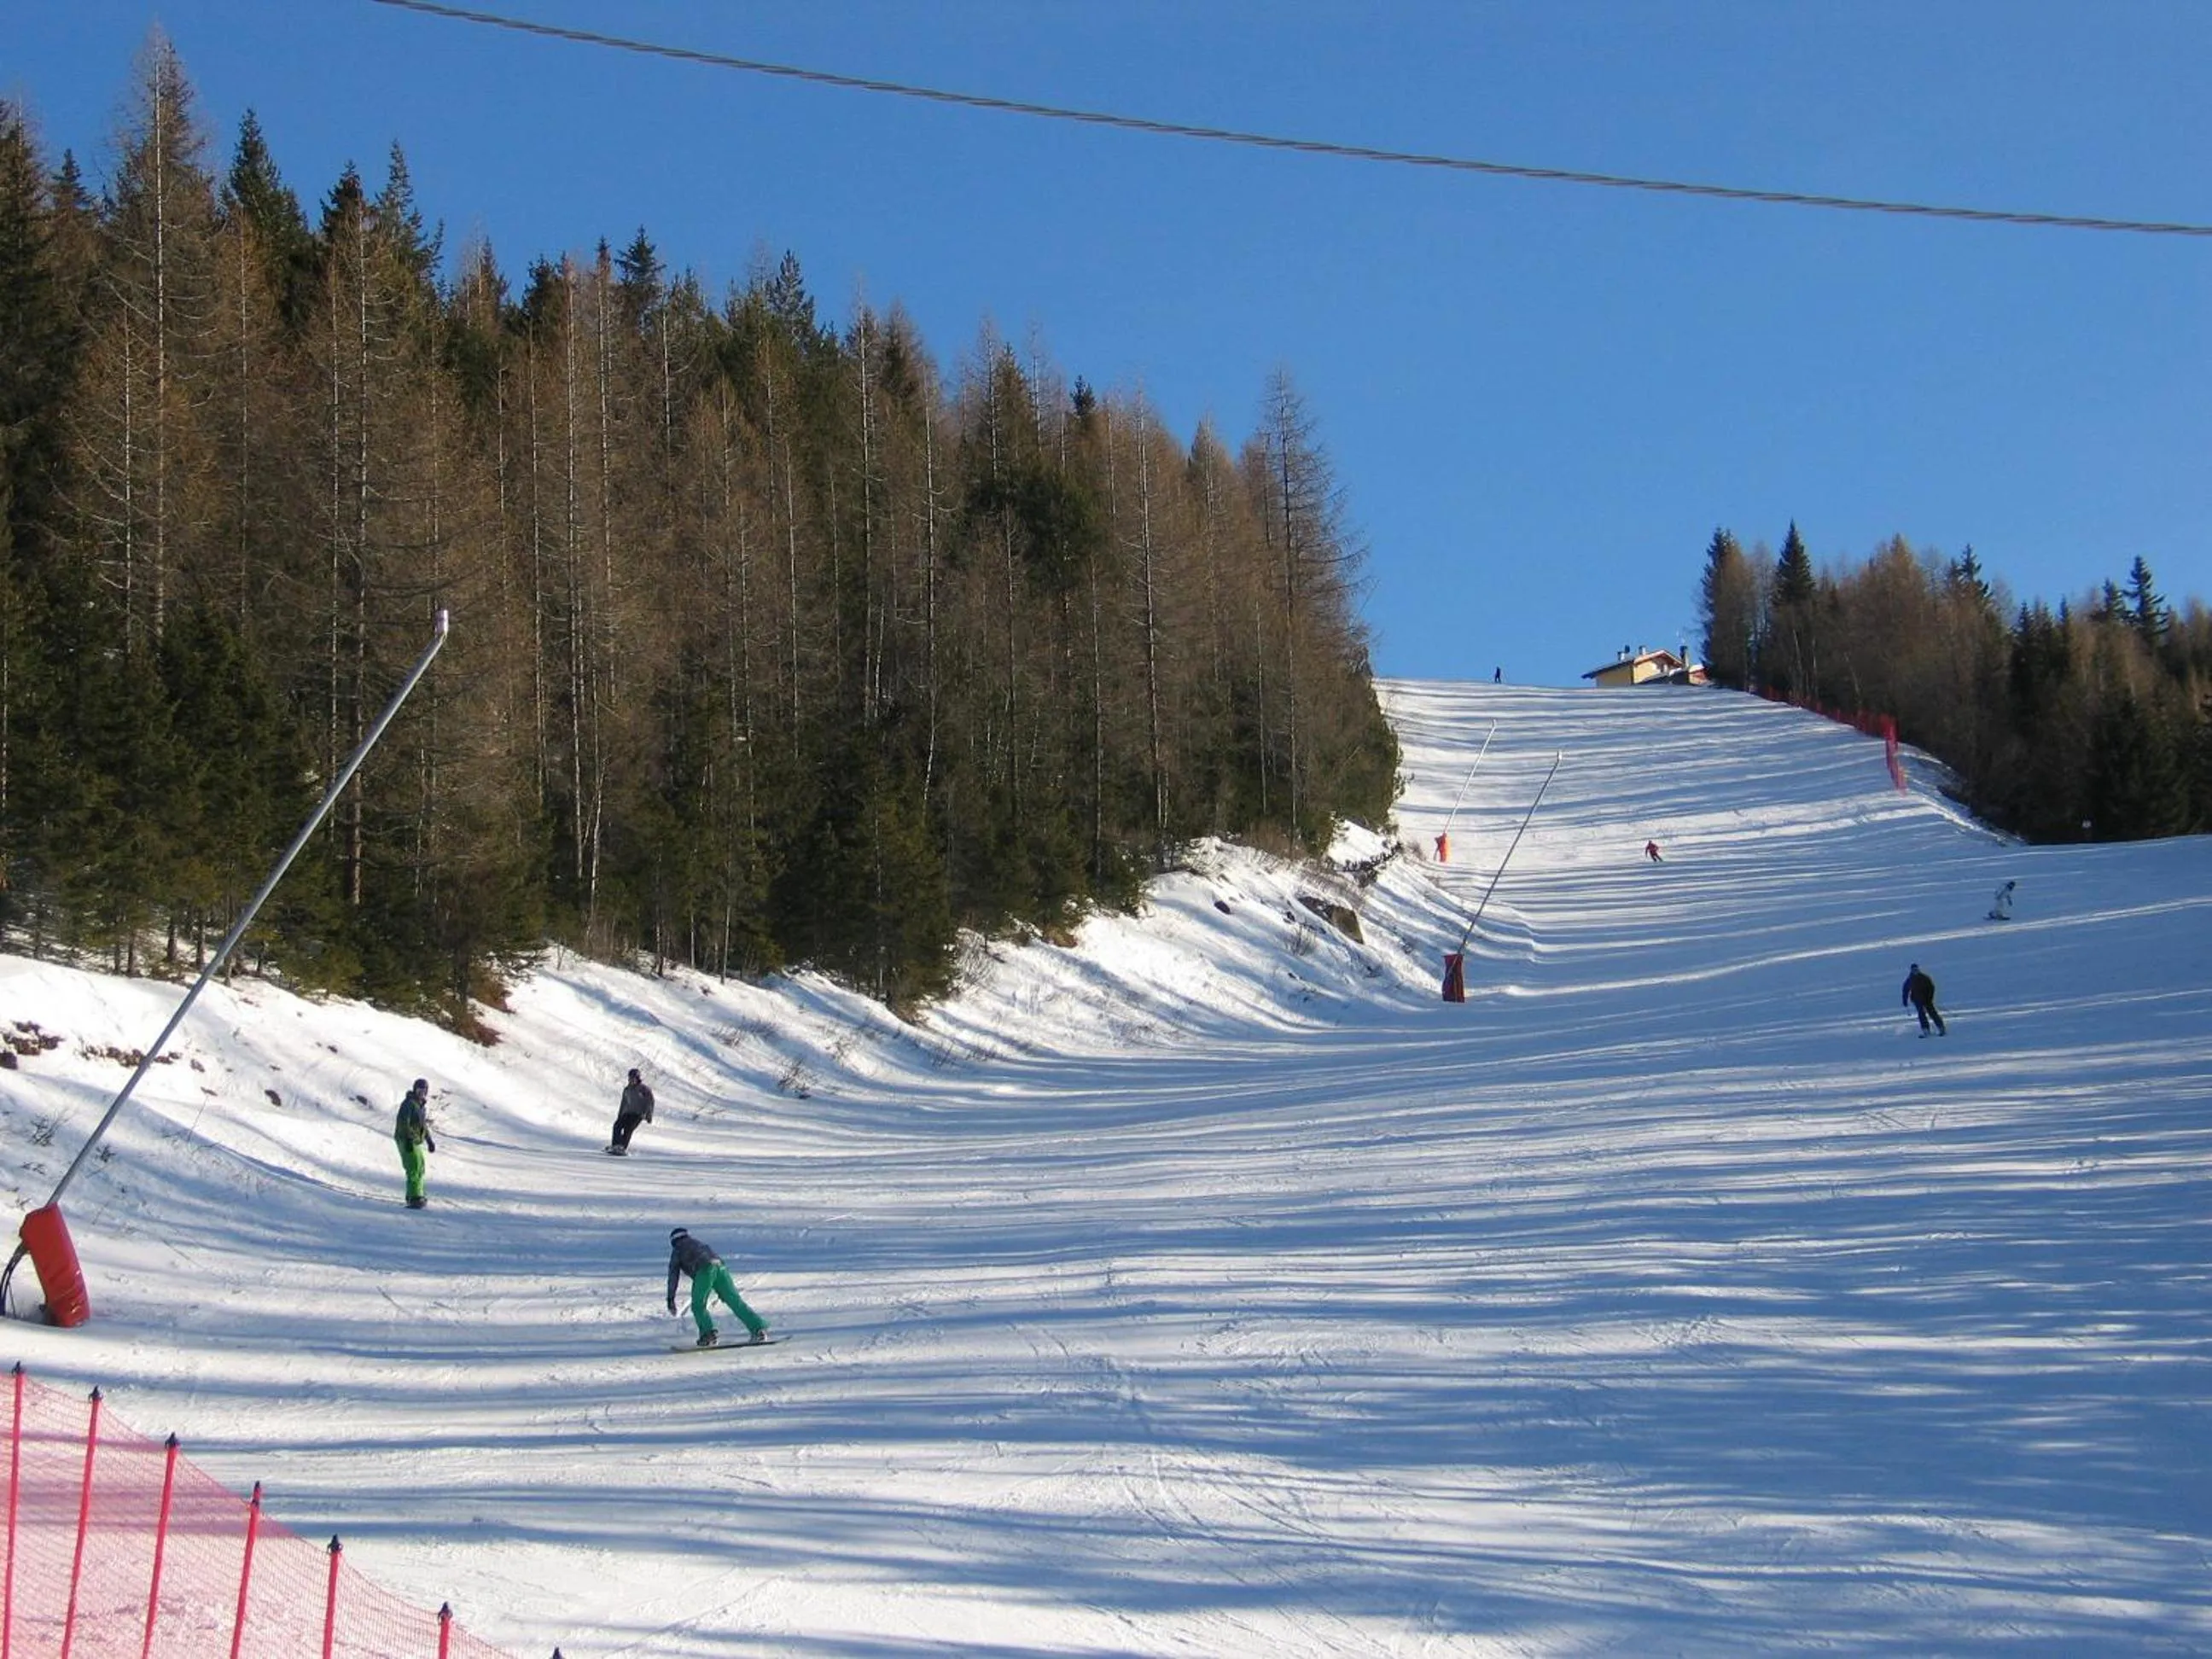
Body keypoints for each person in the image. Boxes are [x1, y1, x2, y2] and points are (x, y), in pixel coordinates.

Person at [666, 1227, 768, 1348]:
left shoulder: (678, 1249)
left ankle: (708, 1335)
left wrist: (670, 1299)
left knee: (698, 1305)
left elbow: (673, 1275)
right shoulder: (698, 1243)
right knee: (734, 1301)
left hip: (704, 1270)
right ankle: (758, 1329)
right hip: (720, 1267)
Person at [393, 1078, 435, 1208]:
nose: (421, 1093)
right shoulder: (408, 1104)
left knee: (420, 1167)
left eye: (424, 1090)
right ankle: (414, 1197)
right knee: (414, 1167)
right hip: (406, 1139)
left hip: (416, 1140)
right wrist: (408, 1139)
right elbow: (403, 1122)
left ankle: (416, 1194)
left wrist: (429, 1140)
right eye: (419, 1090)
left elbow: (423, 1125)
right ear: (415, 1089)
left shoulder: (420, 1105)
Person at [609, 1067, 655, 1155]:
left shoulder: (644, 1089)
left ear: (637, 1079)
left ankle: (622, 1147)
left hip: (639, 1114)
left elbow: (650, 1102)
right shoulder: (627, 1090)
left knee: (628, 1129)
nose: (631, 1080)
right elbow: (624, 1103)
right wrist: (620, 1115)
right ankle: (615, 1146)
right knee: (617, 1126)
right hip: (628, 1113)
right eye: (630, 1078)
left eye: (633, 1078)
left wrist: (649, 1115)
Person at [1901, 963, 1947, 1037]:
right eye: (1913, 970)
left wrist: (1930, 997)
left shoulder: (1924, 978)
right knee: (1921, 1015)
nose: (1915, 971)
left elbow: (1931, 987)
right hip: (1917, 1000)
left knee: (1932, 1013)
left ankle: (1941, 1028)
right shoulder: (1910, 980)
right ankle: (1926, 1030)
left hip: (1927, 999)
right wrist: (1905, 1001)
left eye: (1916, 969)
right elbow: (1905, 990)